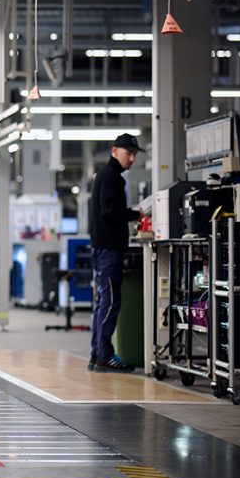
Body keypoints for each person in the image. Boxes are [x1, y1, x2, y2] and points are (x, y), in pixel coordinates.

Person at [87, 134, 143, 372]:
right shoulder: (111, 177)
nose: (131, 159)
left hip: (103, 247)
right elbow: (109, 212)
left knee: (103, 301)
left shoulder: (106, 175)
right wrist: (135, 214)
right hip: (109, 249)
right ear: (114, 151)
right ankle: (104, 355)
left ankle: (97, 354)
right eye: (128, 153)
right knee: (110, 301)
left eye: (134, 155)